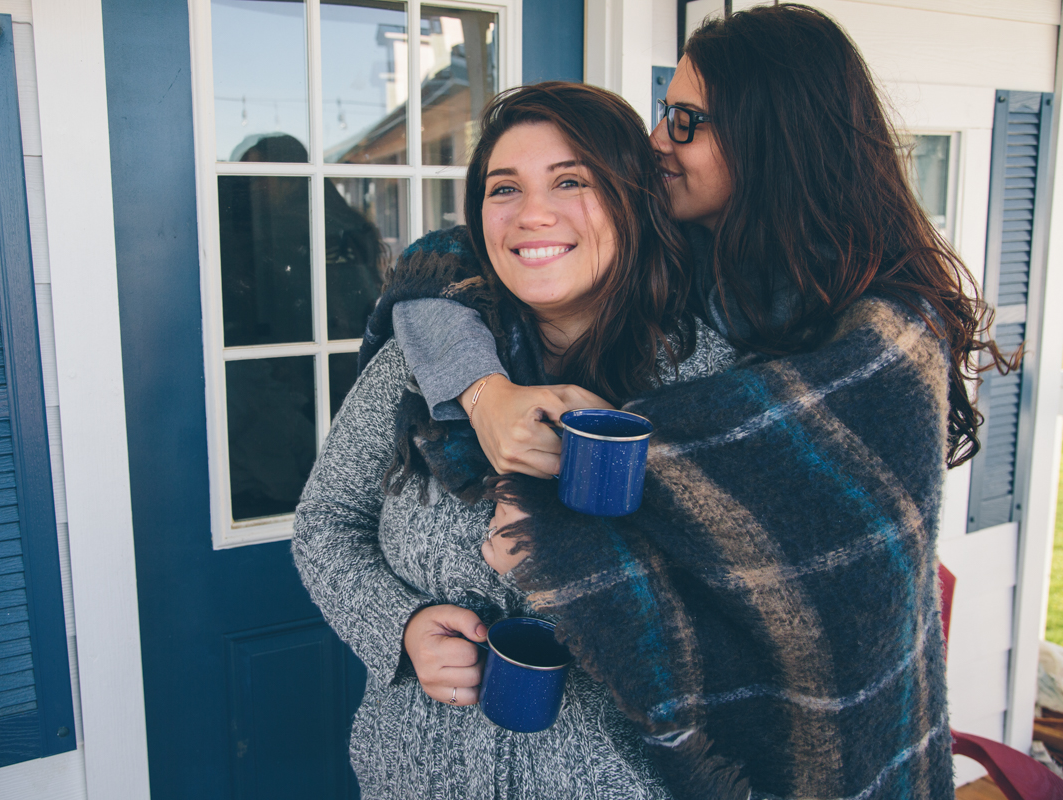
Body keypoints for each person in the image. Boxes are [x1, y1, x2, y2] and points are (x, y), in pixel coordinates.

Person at [367, 5, 1011, 799]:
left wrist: (558, 538)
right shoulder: (687, 256)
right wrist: (484, 391)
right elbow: (445, 264)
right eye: (663, 115)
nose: (656, 143)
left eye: (684, 122)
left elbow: (821, 599)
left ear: (769, 137)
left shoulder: (867, 341)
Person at [292, 82, 736, 799]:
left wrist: (571, 569)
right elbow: (326, 523)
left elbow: (752, 624)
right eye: (505, 188)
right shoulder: (417, 361)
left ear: (633, 199)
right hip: (411, 777)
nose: (532, 214)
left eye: (571, 181)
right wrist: (400, 628)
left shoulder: (712, 383)